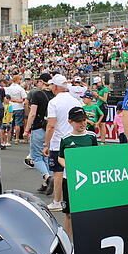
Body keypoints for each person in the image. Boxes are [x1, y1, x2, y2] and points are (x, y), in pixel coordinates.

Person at [43, 74, 83, 212]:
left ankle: (57, 201)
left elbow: (51, 125)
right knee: (75, 171)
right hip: (75, 140)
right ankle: (76, 199)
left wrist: (46, 144)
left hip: (58, 142)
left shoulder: (54, 102)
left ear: (55, 86)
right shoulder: (76, 100)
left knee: (58, 173)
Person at [57, 106, 98, 239]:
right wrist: (68, 165)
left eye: (84, 120)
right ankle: (68, 242)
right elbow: (60, 157)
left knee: (87, 211)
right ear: (70, 122)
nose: (82, 123)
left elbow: (97, 156)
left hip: (88, 179)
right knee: (69, 213)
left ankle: (87, 239)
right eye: (78, 121)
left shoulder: (91, 137)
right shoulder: (66, 139)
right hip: (69, 179)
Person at [23, 73, 53, 194]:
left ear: (41, 82)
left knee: (36, 157)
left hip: (39, 127)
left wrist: (26, 129)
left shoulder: (37, 94)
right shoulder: (54, 95)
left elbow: (32, 113)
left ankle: (47, 177)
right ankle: (46, 182)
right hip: (50, 128)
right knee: (46, 155)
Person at [4, 75, 27, 144]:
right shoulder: (20, 89)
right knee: (18, 123)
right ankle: (16, 138)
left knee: (10, 123)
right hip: (18, 107)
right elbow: (24, 99)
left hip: (10, 106)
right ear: (17, 80)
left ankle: (9, 137)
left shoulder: (8, 88)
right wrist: (17, 100)